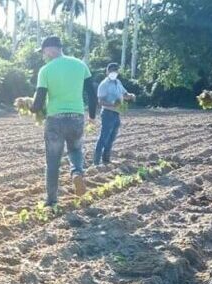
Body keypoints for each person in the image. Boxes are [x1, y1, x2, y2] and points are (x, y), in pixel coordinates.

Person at [30, 36, 97, 206]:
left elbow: (39, 101)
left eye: (44, 51)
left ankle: (52, 201)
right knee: (75, 150)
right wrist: (92, 116)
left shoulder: (45, 70)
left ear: (51, 49)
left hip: (55, 119)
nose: (44, 55)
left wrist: (31, 108)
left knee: (52, 161)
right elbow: (91, 93)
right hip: (76, 117)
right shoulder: (80, 65)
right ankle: (76, 172)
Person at [94, 63, 136, 165]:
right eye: (111, 70)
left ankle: (106, 159)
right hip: (108, 113)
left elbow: (124, 94)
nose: (114, 72)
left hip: (117, 113)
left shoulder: (118, 82)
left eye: (115, 70)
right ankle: (96, 162)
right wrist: (112, 104)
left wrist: (130, 96)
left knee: (112, 138)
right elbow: (100, 101)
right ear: (107, 71)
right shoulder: (104, 84)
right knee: (103, 137)